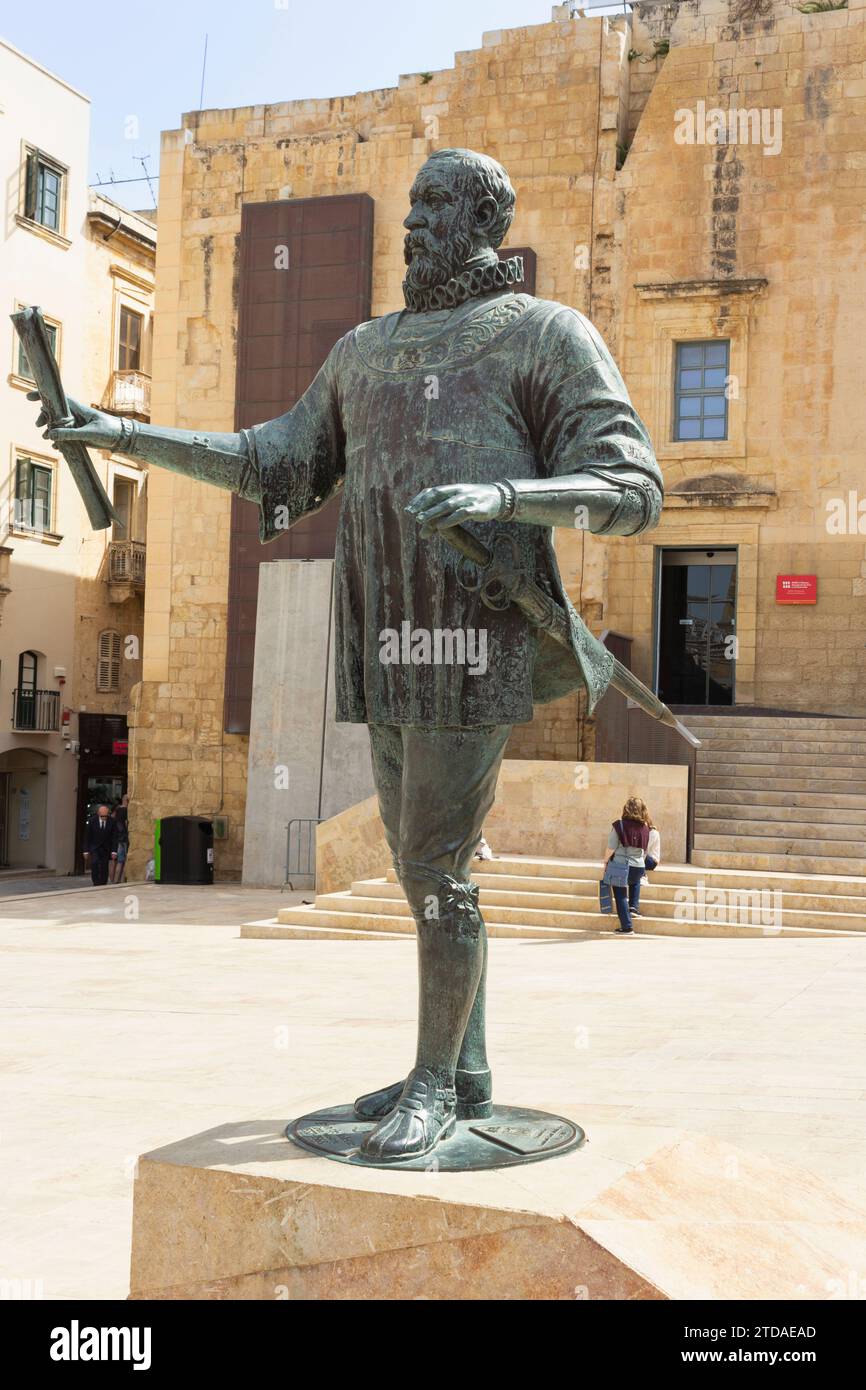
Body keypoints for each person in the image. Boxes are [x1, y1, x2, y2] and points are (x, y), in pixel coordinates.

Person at [33, 149, 662, 1162]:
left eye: (433, 207)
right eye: (409, 206)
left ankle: (432, 1081)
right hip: (384, 636)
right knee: (429, 876)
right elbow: (270, 460)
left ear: (481, 222)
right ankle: (462, 1071)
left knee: (433, 866)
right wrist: (122, 436)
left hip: (474, 633)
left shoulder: (546, 336)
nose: (412, 224)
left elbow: (629, 487)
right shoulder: (363, 351)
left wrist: (502, 499)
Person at [603, 797, 653, 935]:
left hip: (621, 865)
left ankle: (627, 926)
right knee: (635, 883)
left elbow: (611, 847)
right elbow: (645, 849)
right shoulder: (645, 827)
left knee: (620, 895)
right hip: (639, 865)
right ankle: (633, 908)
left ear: (626, 808)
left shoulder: (619, 825)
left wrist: (605, 861)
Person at [630, 821, 661, 917]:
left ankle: (643, 875)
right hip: (641, 857)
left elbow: (644, 849)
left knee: (638, 854)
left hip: (651, 861)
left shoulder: (653, 833)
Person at [83, 804, 117, 886]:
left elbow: (114, 837)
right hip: (95, 847)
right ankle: (96, 882)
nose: (104, 818)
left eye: (106, 816)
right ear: (98, 814)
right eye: (102, 816)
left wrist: (114, 851)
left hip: (106, 847)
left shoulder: (112, 821)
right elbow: (87, 836)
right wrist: (85, 850)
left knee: (104, 865)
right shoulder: (92, 821)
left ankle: (103, 882)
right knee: (94, 863)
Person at [110, 795, 129, 884]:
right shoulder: (126, 810)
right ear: (127, 801)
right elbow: (125, 823)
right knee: (123, 861)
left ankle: (114, 880)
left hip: (118, 838)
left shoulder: (117, 810)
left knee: (118, 861)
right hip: (124, 838)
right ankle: (121, 880)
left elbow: (114, 820)